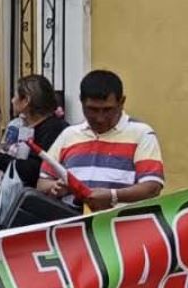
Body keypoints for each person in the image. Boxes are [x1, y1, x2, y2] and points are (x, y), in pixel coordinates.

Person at [37, 68, 164, 211]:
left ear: (122, 102)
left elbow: (152, 186)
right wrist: (55, 187)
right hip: (74, 224)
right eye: (92, 110)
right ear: (81, 102)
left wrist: (113, 196)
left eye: (108, 110)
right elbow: (43, 182)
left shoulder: (141, 134)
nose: (100, 118)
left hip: (119, 226)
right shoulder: (69, 135)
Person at [0, 74, 69, 226]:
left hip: (34, 217)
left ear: (26, 100)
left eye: (15, 96)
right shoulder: (22, 127)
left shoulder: (53, 130)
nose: (12, 101)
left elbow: (34, 170)